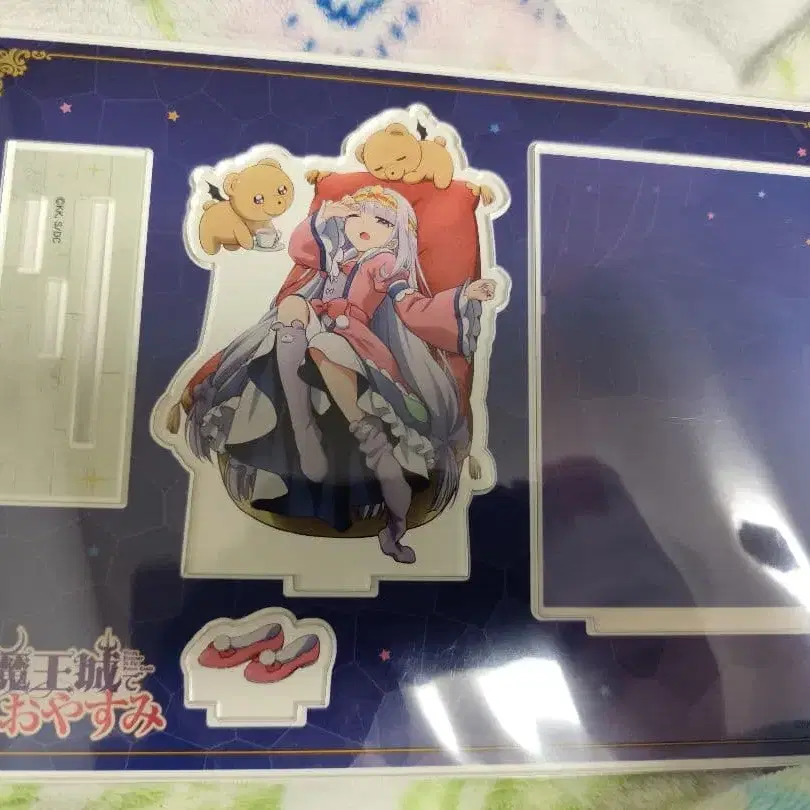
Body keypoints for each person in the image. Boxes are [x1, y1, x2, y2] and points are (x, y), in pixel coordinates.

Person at [180, 185, 497, 564]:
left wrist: (464, 297)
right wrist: (324, 217)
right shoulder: (335, 254)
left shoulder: (386, 265)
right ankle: (303, 430)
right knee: (293, 306)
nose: (366, 225)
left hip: (355, 340)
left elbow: (414, 309)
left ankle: (381, 475)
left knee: (326, 348)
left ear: (397, 233)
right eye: (357, 215)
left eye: (382, 221)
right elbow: (299, 249)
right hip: (312, 328)